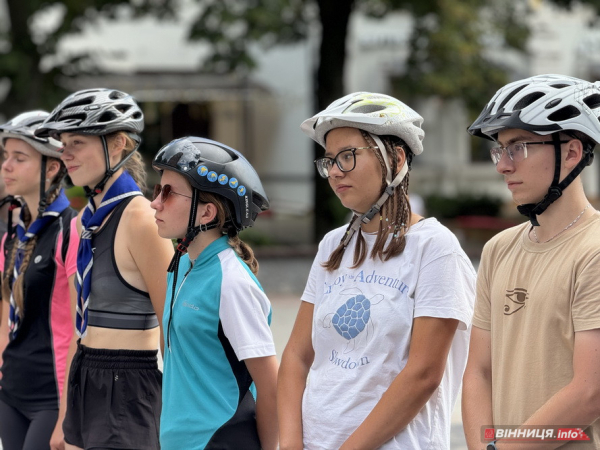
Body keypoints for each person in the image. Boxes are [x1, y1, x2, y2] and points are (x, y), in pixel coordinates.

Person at [278, 92, 476, 449]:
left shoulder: (435, 248)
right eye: (329, 160)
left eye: (348, 156)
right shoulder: (332, 244)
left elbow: (424, 374)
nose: (335, 170)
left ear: (395, 158)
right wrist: (291, 444)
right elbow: (296, 355)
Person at [463, 74, 600, 449]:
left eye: (518, 147)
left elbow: (590, 391)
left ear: (571, 153)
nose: (502, 166)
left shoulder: (595, 250)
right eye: (499, 150)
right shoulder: (498, 249)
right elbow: (478, 371)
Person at [35, 88, 174, 450]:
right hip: (86, 376)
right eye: (63, 144)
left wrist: (179, 418)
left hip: (129, 383)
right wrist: (66, 417)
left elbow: (172, 332)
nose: (65, 154)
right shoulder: (84, 222)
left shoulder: (143, 220)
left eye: (77, 142)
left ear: (118, 145)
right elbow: (76, 328)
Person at [150, 136, 279, 450]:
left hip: (222, 441)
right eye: (157, 189)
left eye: (168, 193)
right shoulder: (182, 263)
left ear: (206, 213)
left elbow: (271, 385)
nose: (155, 202)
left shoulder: (232, 281)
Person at [0, 111, 79, 450]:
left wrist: (67, 412)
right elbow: (5, 311)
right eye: (5, 156)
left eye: (20, 158)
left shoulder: (71, 231)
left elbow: (82, 326)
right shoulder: (11, 235)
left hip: (52, 396)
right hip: (11, 390)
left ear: (51, 168)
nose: (6, 166)